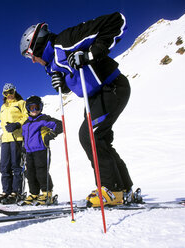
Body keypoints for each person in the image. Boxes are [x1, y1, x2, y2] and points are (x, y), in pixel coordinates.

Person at [20, 12, 134, 207]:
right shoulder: (51, 64)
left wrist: (91, 53)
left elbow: (116, 21)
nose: (32, 60)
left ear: (36, 44)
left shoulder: (65, 40)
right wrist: (61, 85)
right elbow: (74, 77)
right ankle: (123, 189)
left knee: (90, 135)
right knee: (100, 139)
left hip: (111, 86)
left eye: (30, 54)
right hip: (94, 97)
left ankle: (111, 188)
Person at [21, 96, 63, 205]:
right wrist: (24, 147)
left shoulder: (43, 119)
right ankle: (34, 193)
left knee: (41, 171)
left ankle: (47, 193)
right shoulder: (25, 123)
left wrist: (50, 135)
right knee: (30, 173)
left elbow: (59, 125)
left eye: (37, 107)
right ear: (28, 109)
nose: (34, 110)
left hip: (41, 149)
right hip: (29, 152)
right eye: (32, 108)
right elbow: (24, 136)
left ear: (41, 107)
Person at [0, 83, 28, 205]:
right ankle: (6, 191)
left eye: (10, 91)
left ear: (14, 91)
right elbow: (2, 122)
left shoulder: (21, 103)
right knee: (4, 166)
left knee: (15, 165)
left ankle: (16, 192)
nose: (8, 95)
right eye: (5, 93)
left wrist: (17, 124)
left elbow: (26, 116)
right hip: (6, 139)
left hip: (17, 137)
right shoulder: (3, 106)